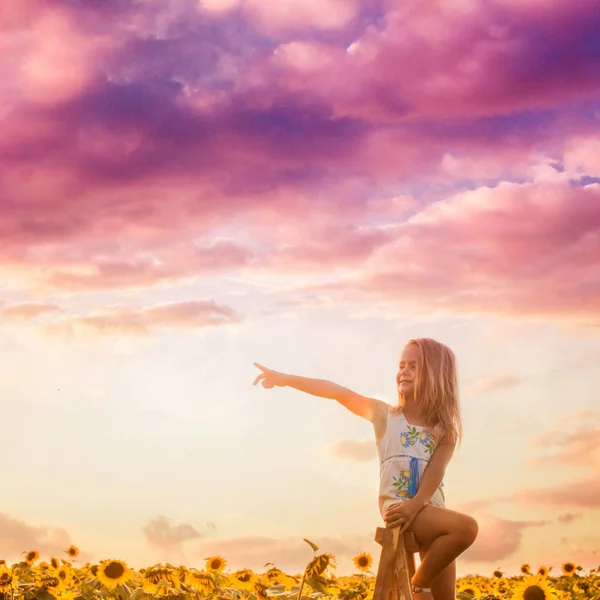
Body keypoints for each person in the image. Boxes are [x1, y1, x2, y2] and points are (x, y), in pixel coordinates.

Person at [253, 337, 478, 600]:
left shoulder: (445, 430)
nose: (404, 371)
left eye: (414, 366)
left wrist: (417, 504)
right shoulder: (385, 416)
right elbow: (337, 391)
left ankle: (421, 585)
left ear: (437, 375)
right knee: (467, 528)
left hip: (428, 512)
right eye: (402, 364)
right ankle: (418, 586)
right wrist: (285, 378)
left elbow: (435, 473)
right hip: (398, 510)